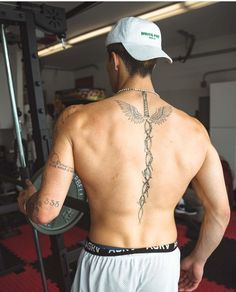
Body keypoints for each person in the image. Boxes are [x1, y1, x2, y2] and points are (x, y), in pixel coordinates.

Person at [17, 17, 230, 292]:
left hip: (106, 260)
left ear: (114, 60)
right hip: (164, 262)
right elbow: (220, 213)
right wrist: (197, 260)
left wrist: (27, 201)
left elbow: (46, 212)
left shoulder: (77, 120)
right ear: (153, 61)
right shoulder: (196, 131)